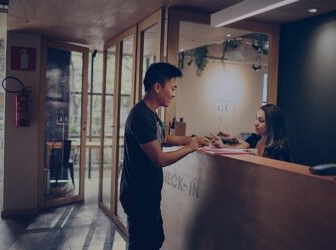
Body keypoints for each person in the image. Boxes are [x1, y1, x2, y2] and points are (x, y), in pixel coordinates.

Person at [120, 62, 209, 250]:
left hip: (148, 194)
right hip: (139, 196)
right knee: (142, 245)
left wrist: (190, 138)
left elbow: (163, 138)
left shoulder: (151, 114)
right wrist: (190, 147)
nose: (174, 93)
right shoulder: (141, 117)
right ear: (157, 87)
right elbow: (159, 158)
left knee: (155, 240)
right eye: (173, 88)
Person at [212, 104, 291, 162]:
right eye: (256, 119)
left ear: (272, 123)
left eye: (261, 120)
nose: (255, 123)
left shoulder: (279, 147)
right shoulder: (258, 141)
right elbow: (238, 150)